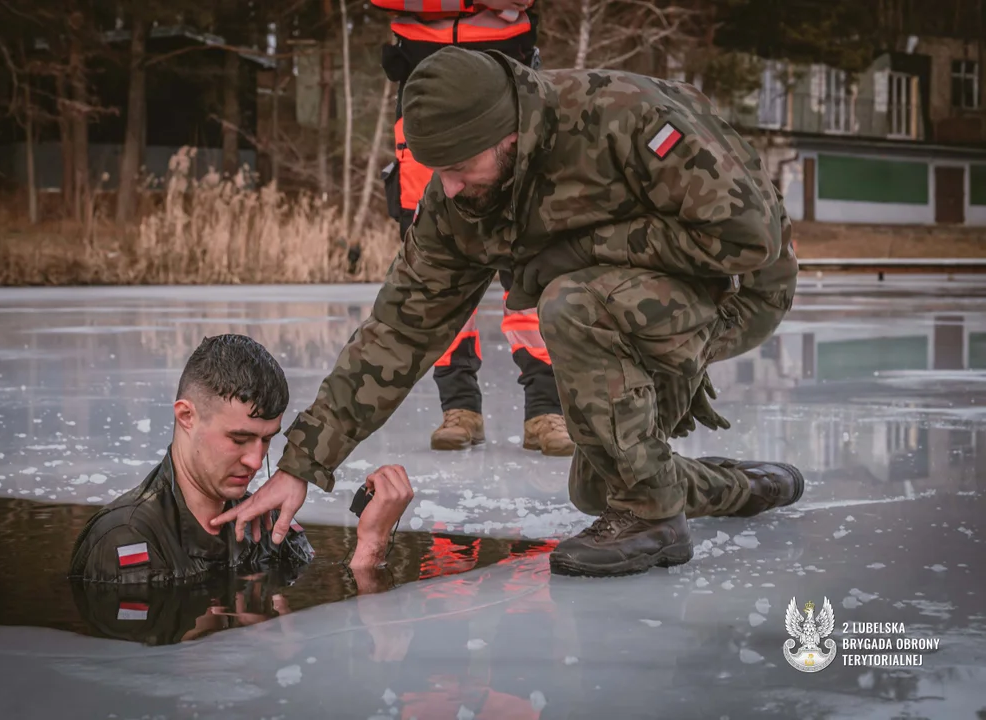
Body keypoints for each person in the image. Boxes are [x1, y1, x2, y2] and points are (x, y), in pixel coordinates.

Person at [213, 48, 803, 578]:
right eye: (436, 170)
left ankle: (654, 520)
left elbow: (747, 238)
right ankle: (740, 487)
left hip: (738, 288)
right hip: (634, 291)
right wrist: (302, 463)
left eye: (460, 166)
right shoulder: (460, 199)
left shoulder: (619, 116)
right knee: (600, 484)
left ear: (508, 135)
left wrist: (575, 255)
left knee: (571, 301)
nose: (448, 186)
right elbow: (398, 330)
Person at [371, 0, 573, 456]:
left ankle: (546, 407)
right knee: (434, 265)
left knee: (532, 252)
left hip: (506, 72)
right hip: (423, 80)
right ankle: (458, 407)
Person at [68, 334, 414, 584]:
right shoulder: (126, 539)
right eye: (239, 438)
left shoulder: (269, 526)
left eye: (267, 440)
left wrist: (372, 541)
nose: (255, 460)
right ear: (186, 417)